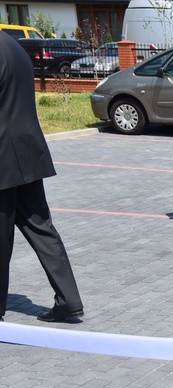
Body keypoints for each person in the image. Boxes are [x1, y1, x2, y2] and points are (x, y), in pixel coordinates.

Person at [0, 30, 84, 323]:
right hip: (26, 153)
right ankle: (69, 300)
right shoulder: (13, 45)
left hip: (3, 158)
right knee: (42, 229)